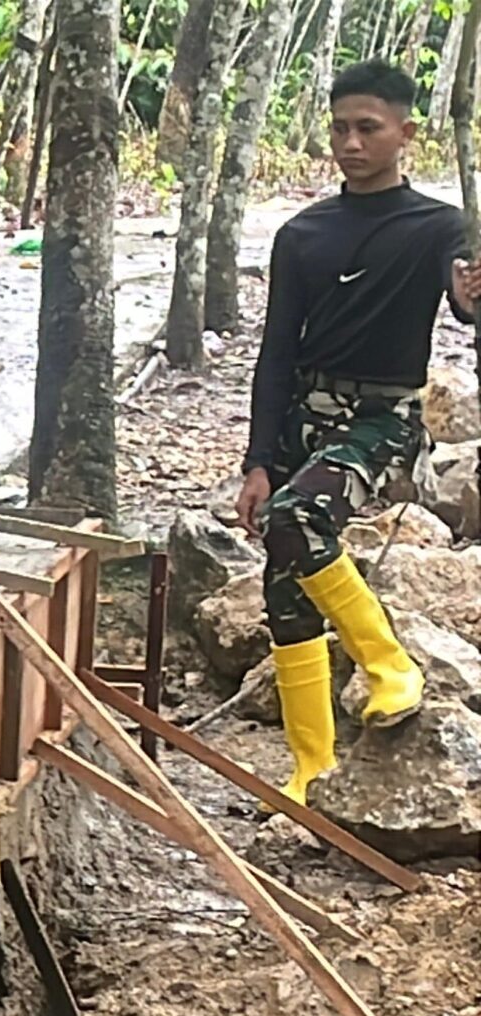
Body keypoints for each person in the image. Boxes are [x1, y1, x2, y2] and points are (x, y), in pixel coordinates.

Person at [233, 60, 481, 803]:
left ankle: (388, 664)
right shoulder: (303, 233)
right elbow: (276, 353)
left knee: (301, 518)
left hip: (383, 417)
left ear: (407, 132)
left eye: (367, 128)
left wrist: (471, 299)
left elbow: (465, 303)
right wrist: (258, 459)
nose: (349, 142)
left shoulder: (441, 225)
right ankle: (311, 767)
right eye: (339, 128)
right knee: (285, 582)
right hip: (305, 417)